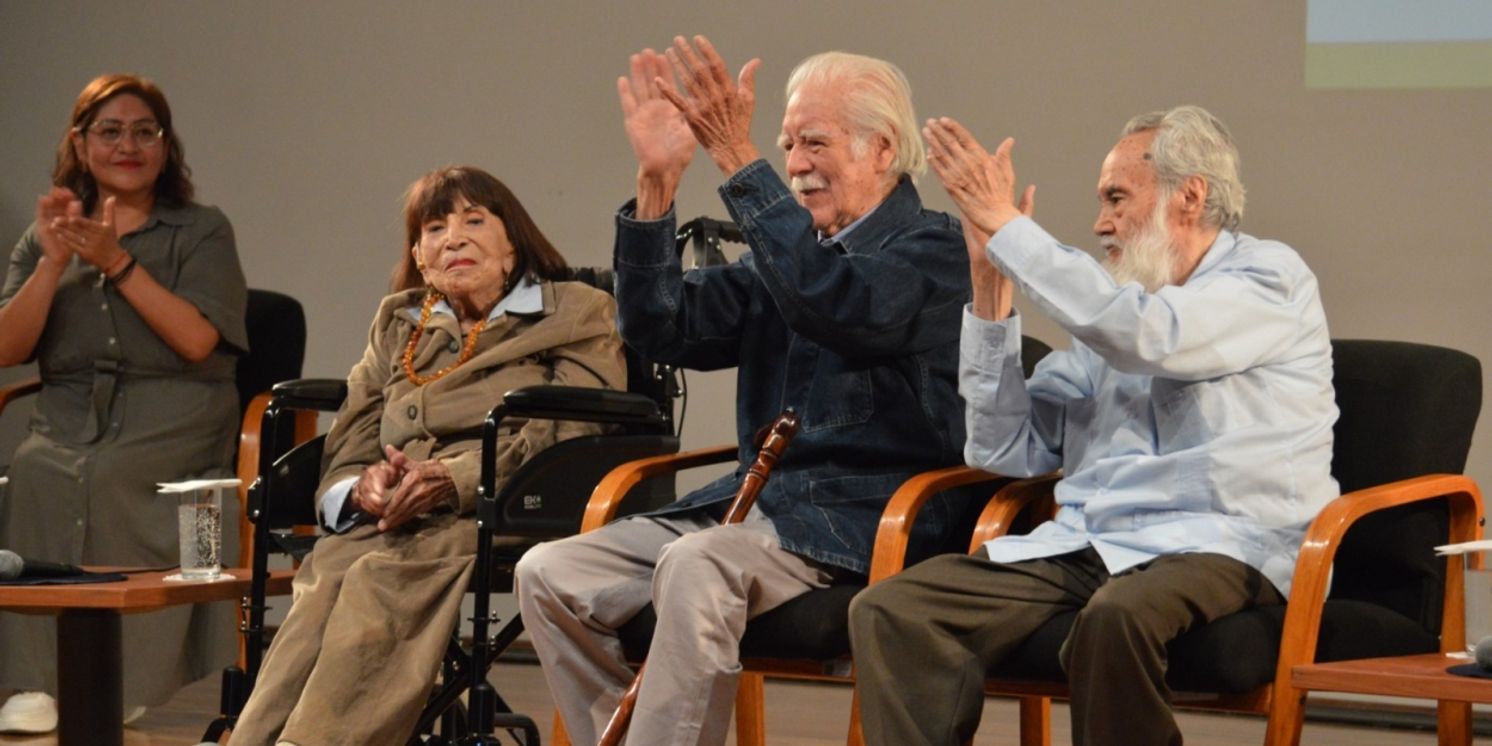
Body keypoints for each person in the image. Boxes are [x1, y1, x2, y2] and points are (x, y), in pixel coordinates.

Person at [517, 36, 972, 746]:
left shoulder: (936, 252)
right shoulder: (793, 258)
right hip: (753, 513)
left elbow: (838, 304)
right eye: (786, 144)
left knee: (698, 562)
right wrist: (657, 185)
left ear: (882, 149)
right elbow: (660, 328)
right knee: (549, 574)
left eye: (813, 143)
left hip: (864, 521)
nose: (792, 165)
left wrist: (735, 155)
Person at [848, 105, 1338, 746]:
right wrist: (991, 292)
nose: (1100, 224)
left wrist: (1007, 227)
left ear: (1189, 196)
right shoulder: (1119, 309)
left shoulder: (1268, 279)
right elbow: (1005, 445)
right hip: (1091, 545)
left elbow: (1148, 336)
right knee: (892, 611)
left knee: (1115, 619)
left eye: (1116, 198)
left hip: (1222, 542)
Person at [227, 166, 626, 746]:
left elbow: (569, 426)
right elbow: (356, 427)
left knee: (381, 574)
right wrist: (357, 485)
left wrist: (456, 479)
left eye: (474, 221)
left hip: (502, 500)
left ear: (512, 239)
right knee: (329, 569)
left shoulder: (574, 310)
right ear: (418, 253)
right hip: (397, 505)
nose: (454, 238)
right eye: (434, 227)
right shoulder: (400, 322)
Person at [0, 73, 248, 733]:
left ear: (166, 147)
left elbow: (198, 340)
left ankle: (118, 675)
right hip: (71, 416)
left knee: (108, 476)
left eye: (145, 131)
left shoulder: (200, 229)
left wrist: (116, 262)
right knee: (35, 470)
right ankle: (32, 681)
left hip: (177, 410)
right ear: (80, 146)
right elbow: (7, 346)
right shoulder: (45, 234)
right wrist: (54, 263)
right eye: (110, 132)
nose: (128, 145)